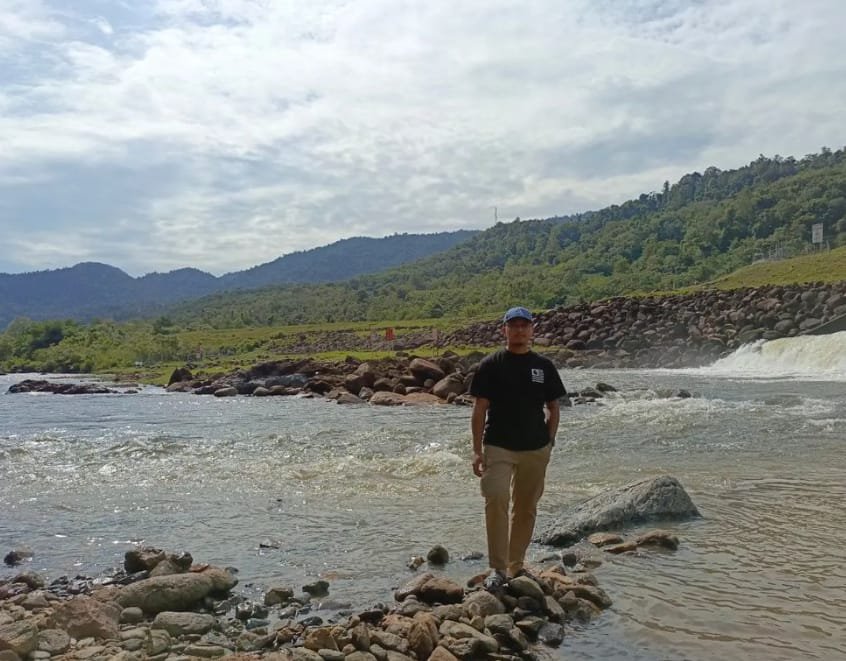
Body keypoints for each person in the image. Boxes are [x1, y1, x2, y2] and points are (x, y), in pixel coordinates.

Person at [470, 306, 567, 589]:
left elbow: (553, 407)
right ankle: (497, 569)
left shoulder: (544, 367)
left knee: (525, 508)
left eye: (525, 325)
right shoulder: (491, 364)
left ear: (532, 330)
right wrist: (476, 450)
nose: (520, 330)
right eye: (514, 325)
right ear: (505, 330)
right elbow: (479, 410)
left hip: (535, 448)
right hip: (498, 445)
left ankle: (516, 565)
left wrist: (549, 442)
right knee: (496, 498)